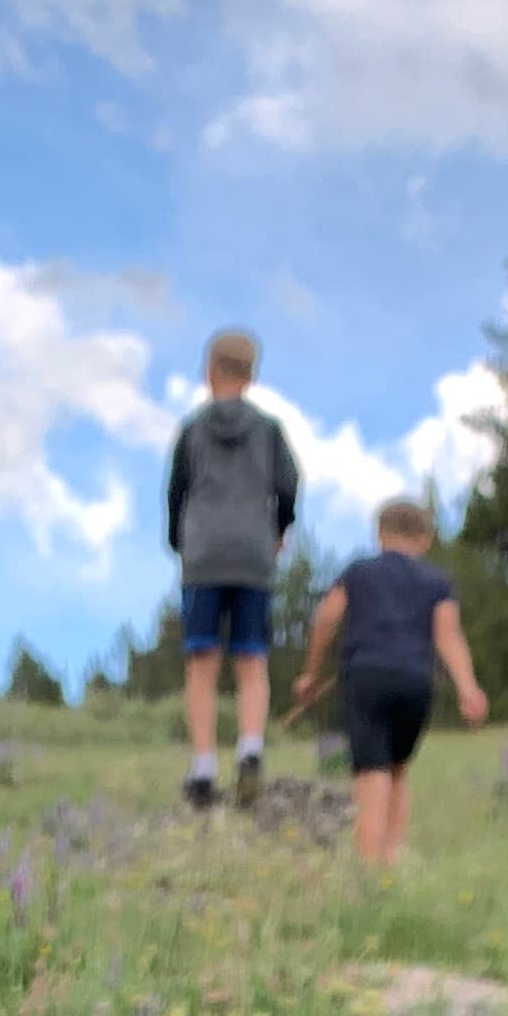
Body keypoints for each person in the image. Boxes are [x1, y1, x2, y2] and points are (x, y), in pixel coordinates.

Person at [289, 499, 486, 868]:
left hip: (366, 677)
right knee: (397, 768)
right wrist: (468, 688)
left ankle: (370, 866)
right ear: (425, 539)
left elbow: (326, 618)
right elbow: (449, 637)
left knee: (371, 770)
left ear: (379, 534)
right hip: (415, 681)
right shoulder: (436, 582)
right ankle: (391, 856)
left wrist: (311, 673)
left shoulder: (358, 572)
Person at [165, 328, 301, 811]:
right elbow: (288, 485)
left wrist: (179, 542)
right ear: (252, 374)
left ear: (209, 370)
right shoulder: (269, 430)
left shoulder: (193, 429)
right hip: (252, 551)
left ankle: (203, 767)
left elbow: (176, 492)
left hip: (203, 553)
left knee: (202, 665)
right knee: (251, 660)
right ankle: (249, 749)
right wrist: (278, 530)